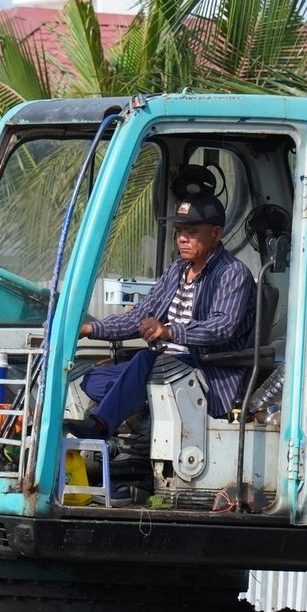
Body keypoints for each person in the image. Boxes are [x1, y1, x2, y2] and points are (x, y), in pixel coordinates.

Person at [67, 166, 256, 440]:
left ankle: (101, 426)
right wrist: (88, 330)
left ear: (216, 233)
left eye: (191, 231)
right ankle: (135, 403)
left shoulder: (232, 273)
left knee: (144, 360)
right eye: (179, 230)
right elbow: (140, 317)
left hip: (204, 369)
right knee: (91, 378)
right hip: (165, 363)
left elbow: (221, 328)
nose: (182, 238)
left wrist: (169, 332)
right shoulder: (177, 269)